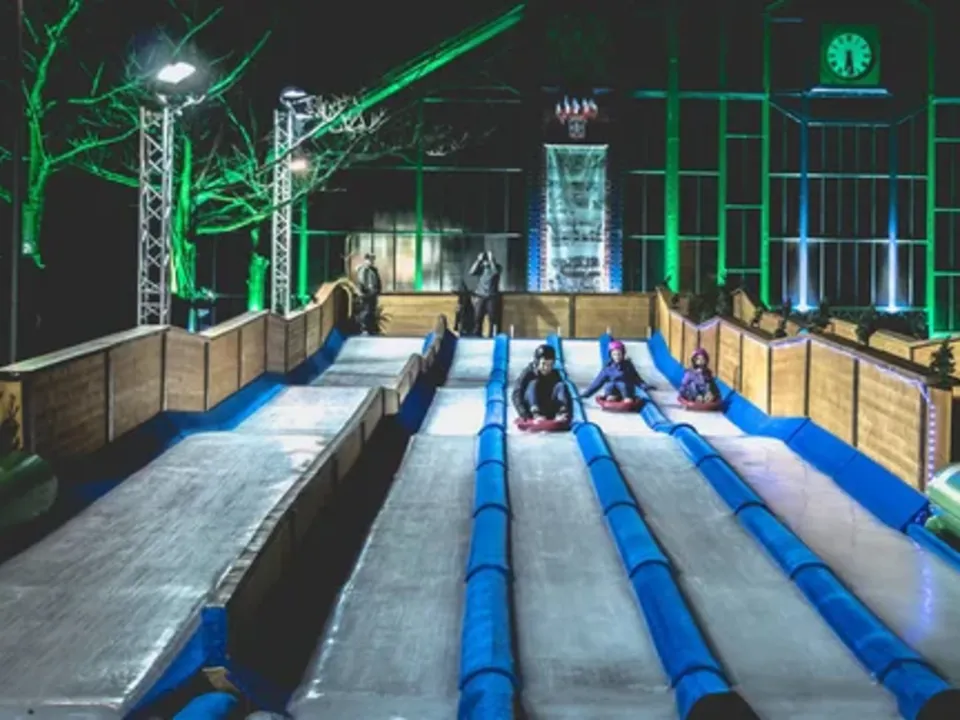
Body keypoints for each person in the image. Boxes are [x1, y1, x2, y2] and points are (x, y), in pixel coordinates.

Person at [512, 344, 571, 422]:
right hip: (531, 408)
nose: (546, 368)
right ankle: (536, 413)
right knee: (533, 383)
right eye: (543, 364)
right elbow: (516, 394)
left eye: (550, 365)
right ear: (537, 362)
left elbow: (566, 395)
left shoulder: (555, 374)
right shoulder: (528, 373)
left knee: (561, 385)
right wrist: (524, 414)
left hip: (548, 408)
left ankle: (562, 413)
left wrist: (568, 415)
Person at [581, 340, 648, 401]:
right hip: (613, 391)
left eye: (619, 354)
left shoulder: (628, 366)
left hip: (626, 391)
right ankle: (613, 397)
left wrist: (645, 387)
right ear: (611, 355)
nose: (617, 357)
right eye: (614, 355)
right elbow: (598, 382)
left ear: (623, 354)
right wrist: (586, 394)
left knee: (624, 389)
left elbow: (636, 378)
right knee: (610, 387)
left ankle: (626, 399)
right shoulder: (608, 367)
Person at [469, 250, 502, 338]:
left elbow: (495, 273)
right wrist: (478, 260)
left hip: (491, 296)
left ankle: (492, 336)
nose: (486, 261)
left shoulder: (497, 267)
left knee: (492, 318)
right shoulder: (481, 268)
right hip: (480, 296)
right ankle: (477, 335)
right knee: (477, 317)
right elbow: (471, 272)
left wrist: (491, 261)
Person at [355, 253, 381, 335]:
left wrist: (377, 291)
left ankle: (371, 329)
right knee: (366, 311)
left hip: (373, 294)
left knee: (371, 311)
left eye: (372, 260)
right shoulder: (363, 270)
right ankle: (364, 328)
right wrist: (362, 293)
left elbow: (377, 281)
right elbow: (361, 282)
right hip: (366, 294)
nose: (371, 261)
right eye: (370, 259)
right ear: (365, 260)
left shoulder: (373, 270)